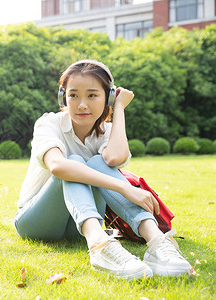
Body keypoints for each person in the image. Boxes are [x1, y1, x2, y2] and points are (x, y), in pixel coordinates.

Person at [14, 59, 192, 280]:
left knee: (100, 162)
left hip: (81, 226)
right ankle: (100, 247)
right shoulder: (48, 123)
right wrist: (125, 188)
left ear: (107, 97)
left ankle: (157, 243)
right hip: (36, 221)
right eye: (73, 95)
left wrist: (118, 107)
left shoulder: (107, 131)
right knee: (74, 163)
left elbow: (115, 157)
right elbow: (58, 166)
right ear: (63, 97)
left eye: (92, 95)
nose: (81, 104)